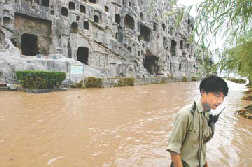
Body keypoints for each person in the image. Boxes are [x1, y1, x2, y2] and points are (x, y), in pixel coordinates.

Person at [167, 75, 229, 167]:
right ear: (203, 92)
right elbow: (174, 150)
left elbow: (201, 147)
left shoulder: (208, 116)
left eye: (223, 97)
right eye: (217, 95)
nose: (220, 101)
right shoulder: (186, 115)